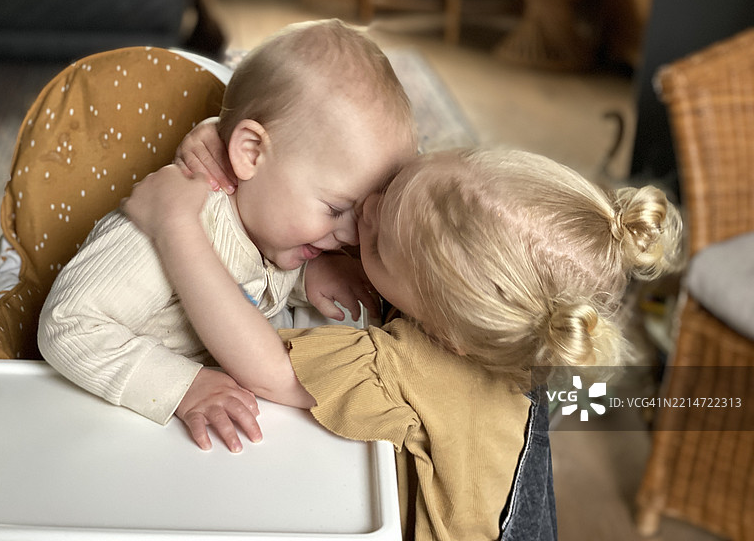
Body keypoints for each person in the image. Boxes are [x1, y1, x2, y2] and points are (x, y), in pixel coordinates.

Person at [120, 147, 684, 541]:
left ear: (445, 333)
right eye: (395, 183)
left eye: (380, 245)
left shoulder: (411, 369)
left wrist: (177, 227)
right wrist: (225, 144)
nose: (364, 209)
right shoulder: (514, 330)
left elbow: (266, 368)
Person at [38, 19, 417, 451]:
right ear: (250, 153)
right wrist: (182, 385)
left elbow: (249, 281)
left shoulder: (272, 227)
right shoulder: (165, 225)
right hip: (90, 418)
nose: (350, 235)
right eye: (335, 209)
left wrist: (308, 274)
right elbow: (67, 326)